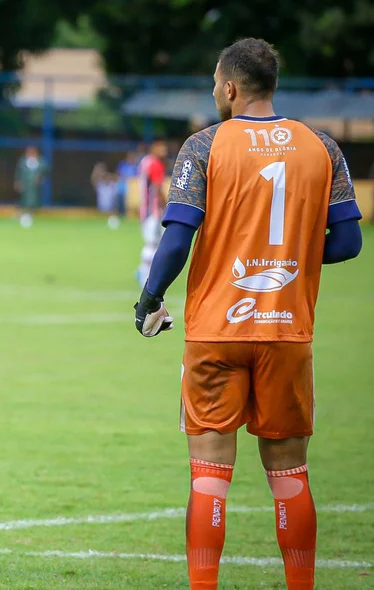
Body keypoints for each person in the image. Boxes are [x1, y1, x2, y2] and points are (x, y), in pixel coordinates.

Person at [133, 38, 363, 590]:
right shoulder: (322, 147)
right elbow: (349, 240)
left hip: (217, 329)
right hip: (286, 331)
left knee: (210, 478)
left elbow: (177, 239)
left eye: (216, 82)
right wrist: (291, 256)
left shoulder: (204, 146)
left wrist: (150, 298)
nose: (215, 90)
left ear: (230, 87)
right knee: (290, 477)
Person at [136, 139, 169, 287]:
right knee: (152, 244)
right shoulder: (155, 164)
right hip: (153, 210)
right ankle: (145, 277)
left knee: (152, 242)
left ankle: (142, 272)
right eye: (161, 148)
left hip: (145, 208)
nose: (164, 151)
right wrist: (167, 205)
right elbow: (157, 187)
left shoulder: (145, 161)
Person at [15, 146, 46, 228]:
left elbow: (45, 170)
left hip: (34, 185)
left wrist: (40, 177)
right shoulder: (23, 161)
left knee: (34, 199)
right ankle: (23, 214)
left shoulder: (40, 161)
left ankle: (33, 213)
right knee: (24, 199)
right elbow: (18, 171)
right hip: (25, 184)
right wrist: (18, 182)